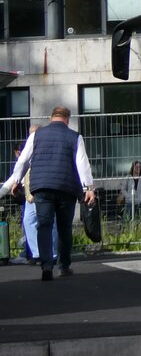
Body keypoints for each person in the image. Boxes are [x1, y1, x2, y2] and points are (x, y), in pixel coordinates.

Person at [1, 107, 96, 281]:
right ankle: (64, 265)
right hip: (66, 188)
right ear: (67, 119)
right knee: (64, 227)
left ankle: (46, 266)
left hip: (42, 187)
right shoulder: (75, 136)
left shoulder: (36, 135)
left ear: (51, 118)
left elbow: (23, 160)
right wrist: (89, 188)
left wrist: (16, 180)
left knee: (43, 225)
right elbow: (82, 164)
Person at [1, 126, 57, 267]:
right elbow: (18, 171)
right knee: (29, 220)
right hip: (30, 194)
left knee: (49, 222)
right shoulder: (30, 149)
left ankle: (53, 253)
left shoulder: (45, 149)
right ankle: (38, 253)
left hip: (44, 189)